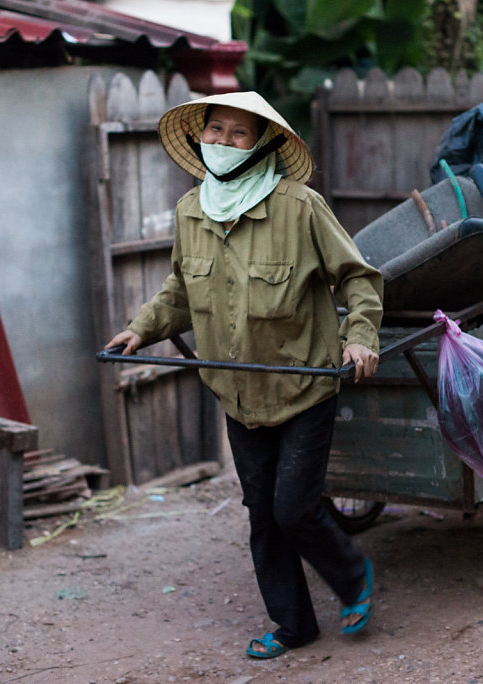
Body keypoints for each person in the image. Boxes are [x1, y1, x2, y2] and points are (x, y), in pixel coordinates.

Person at [105, 91, 384, 658]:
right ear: (197, 137)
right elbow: (181, 290)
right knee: (262, 514)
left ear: (264, 144)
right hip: (236, 388)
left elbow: (357, 278)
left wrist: (360, 337)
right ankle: (293, 625)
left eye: (239, 133)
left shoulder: (299, 205)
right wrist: (141, 328)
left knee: (293, 508)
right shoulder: (191, 211)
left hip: (303, 383)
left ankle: (353, 578)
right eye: (215, 130)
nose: (224, 142)